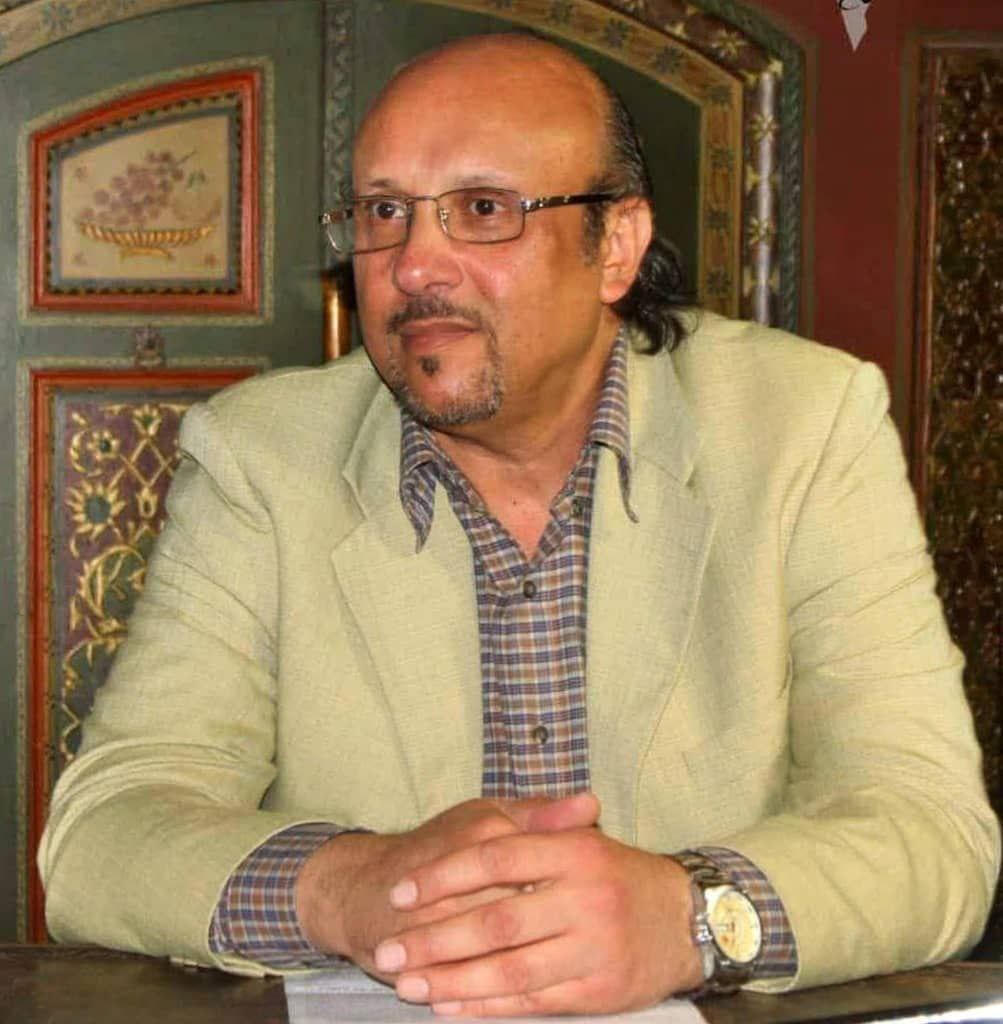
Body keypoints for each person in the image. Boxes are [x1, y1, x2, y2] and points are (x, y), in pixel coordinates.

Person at [40, 32, 999, 1017]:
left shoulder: (801, 426)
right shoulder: (262, 457)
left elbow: (928, 830)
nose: (415, 264)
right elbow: (105, 833)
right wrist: (348, 889)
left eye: (484, 210)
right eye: (383, 212)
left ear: (614, 245)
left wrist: (691, 915)